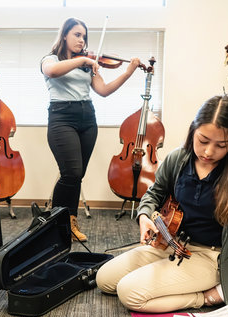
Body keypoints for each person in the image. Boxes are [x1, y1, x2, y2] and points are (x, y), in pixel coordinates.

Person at [96, 95, 228, 315]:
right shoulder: (177, 159)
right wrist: (144, 216)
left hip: (213, 257)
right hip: (171, 244)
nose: (209, 152)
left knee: (129, 292)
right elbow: (154, 194)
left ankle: (211, 295)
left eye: (221, 145)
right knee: (104, 280)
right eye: (203, 140)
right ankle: (176, 279)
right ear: (193, 130)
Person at [41, 17, 142, 242]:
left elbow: (104, 90)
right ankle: (56, 224)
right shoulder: (51, 59)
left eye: (84, 37)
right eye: (77, 35)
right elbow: (53, 72)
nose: (81, 40)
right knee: (71, 173)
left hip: (87, 119)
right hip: (61, 118)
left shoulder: (88, 65)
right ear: (64, 35)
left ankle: (69, 222)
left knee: (77, 176)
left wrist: (128, 72)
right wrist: (84, 60)